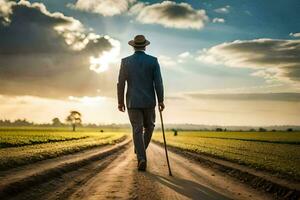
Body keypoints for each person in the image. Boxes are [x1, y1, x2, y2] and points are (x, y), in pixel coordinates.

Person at [117, 35, 164, 171]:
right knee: (149, 127)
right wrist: (160, 100)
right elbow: (158, 83)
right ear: (145, 46)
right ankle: (141, 152)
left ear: (133, 46)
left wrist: (120, 102)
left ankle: (141, 156)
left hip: (132, 101)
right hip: (149, 101)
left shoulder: (125, 62)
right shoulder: (153, 61)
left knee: (137, 129)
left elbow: (121, 83)